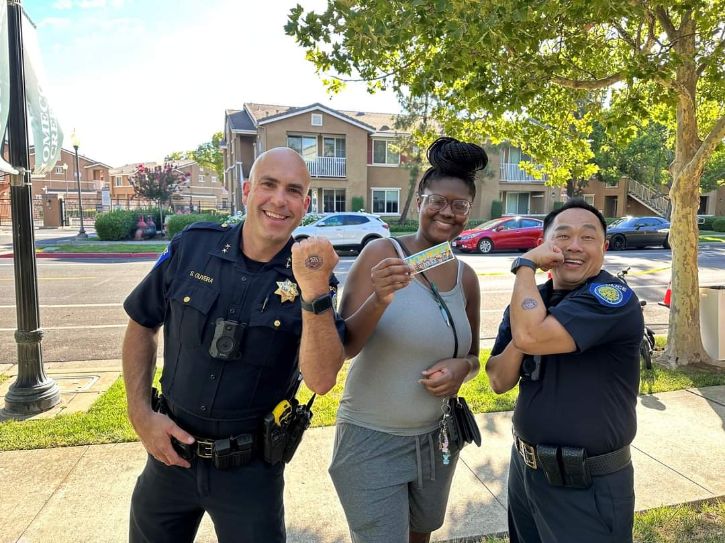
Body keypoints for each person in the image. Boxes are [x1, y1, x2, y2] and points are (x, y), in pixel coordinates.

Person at [121, 147, 345, 543]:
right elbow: (141, 322)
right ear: (246, 190)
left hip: (251, 473)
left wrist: (313, 289)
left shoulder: (313, 274)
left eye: (293, 191)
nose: (279, 200)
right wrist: (140, 414)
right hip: (169, 457)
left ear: (306, 204)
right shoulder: (193, 247)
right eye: (268, 185)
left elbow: (322, 379)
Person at [324, 137, 486, 543]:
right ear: (419, 200)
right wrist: (380, 297)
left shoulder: (465, 276)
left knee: (420, 536)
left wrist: (461, 368)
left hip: (437, 439)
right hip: (372, 439)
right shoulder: (382, 253)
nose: (446, 212)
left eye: (459, 205)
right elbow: (344, 346)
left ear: (469, 212)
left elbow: (473, 357)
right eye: (437, 200)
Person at [486, 199, 643, 543]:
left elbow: (529, 334)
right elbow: (498, 379)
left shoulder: (611, 297)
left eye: (588, 238)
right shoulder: (532, 299)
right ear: (547, 244)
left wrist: (524, 265)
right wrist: (529, 331)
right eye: (563, 235)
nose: (574, 246)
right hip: (525, 471)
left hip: (584, 483)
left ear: (602, 248)